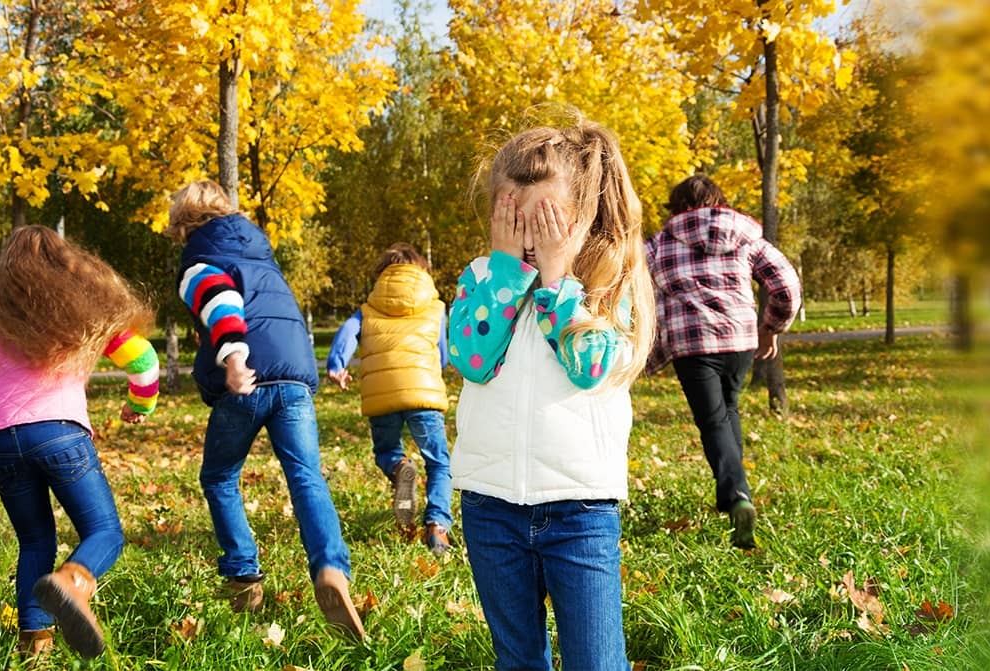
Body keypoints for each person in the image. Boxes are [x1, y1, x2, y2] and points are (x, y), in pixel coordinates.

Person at [446, 120, 656, 671]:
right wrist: (504, 274)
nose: (530, 239)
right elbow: (470, 359)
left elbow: (590, 368)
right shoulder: (483, 278)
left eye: (545, 221)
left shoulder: (608, 286)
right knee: (517, 658)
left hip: (579, 507)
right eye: (514, 219)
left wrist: (561, 282)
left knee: (596, 659)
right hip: (490, 505)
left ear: (582, 219)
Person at [0, 226, 162, 659]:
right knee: (104, 531)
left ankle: (34, 647)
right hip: (60, 434)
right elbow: (146, 363)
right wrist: (139, 406)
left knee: (35, 542)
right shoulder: (80, 313)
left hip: (2, 444)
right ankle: (73, 581)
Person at [165, 180, 367, 640]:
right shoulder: (262, 255)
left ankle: (243, 576)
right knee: (306, 476)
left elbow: (221, 301)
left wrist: (234, 359)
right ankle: (331, 570)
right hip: (294, 376)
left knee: (218, 476)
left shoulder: (201, 256)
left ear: (184, 222)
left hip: (248, 379)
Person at [645, 175, 802, 549]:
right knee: (728, 409)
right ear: (719, 201)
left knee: (713, 420)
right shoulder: (745, 236)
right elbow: (786, 285)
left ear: (676, 207)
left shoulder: (657, 246)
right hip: (740, 341)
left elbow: (635, 291)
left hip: (692, 343)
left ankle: (736, 495)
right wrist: (772, 328)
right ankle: (731, 490)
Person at [324, 243, 454, 554]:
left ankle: (398, 467)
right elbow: (443, 355)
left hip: (382, 394)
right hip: (423, 394)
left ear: (383, 275)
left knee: (386, 450)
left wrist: (336, 366)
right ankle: (437, 526)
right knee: (438, 462)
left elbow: (346, 334)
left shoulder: (367, 309)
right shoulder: (435, 308)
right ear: (421, 273)